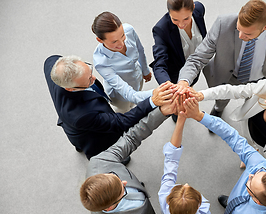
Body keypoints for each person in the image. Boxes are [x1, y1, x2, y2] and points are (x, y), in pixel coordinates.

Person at [181, 97, 266, 214]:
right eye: (255, 175)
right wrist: (199, 116)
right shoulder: (261, 167)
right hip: (238, 204)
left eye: (250, 182)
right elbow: (232, 136)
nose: (249, 175)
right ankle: (230, 204)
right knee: (235, 201)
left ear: (256, 200)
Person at [177, 0, 266, 119]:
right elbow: (198, 57)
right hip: (226, 77)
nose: (240, 36)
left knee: (252, 107)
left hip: (260, 81)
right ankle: (219, 109)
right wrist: (184, 80)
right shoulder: (222, 24)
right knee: (221, 98)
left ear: (265, 27)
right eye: (238, 29)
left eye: (247, 34)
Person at [44, 54, 174, 161]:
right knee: (106, 148)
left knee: (79, 138)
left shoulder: (52, 63)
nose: (94, 78)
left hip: (74, 125)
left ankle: (79, 145)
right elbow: (121, 122)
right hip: (91, 135)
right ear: (70, 88)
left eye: (90, 71)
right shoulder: (82, 115)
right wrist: (152, 101)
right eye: (88, 80)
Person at [80, 103, 176, 214]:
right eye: (122, 190)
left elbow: (131, 137)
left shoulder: (99, 163)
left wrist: (162, 112)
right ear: (109, 207)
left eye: (116, 177)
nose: (125, 182)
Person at [189, 77, 266, 164]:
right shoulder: (265, 87)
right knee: (246, 145)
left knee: (253, 157)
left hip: (265, 148)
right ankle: (246, 157)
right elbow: (231, 91)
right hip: (247, 131)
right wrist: (202, 95)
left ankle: (249, 158)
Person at [158, 96, 212, 214]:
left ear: (168, 201)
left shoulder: (163, 195)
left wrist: (181, 120)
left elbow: (171, 159)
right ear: (198, 206)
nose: (186, 183)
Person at [150, 0, 207, 122]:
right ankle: (177, 114)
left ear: (193, 8)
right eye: (175, 19)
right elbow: (159, 64)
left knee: (191, 84)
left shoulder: (199, 10)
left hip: (196, 67)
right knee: (179, 101)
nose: (181, 24)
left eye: (186, 19)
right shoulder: (161, 29)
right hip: (176, 73)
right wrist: (169, 87)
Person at [92, 11, 153, 113]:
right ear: (100, 40)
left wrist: (145, 70)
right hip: (120, 95)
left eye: (122, 36)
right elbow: (128, 94)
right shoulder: (101, 61)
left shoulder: (129, 30)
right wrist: (158, 93)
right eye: (114, 41)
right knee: (124, 111)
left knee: (134, 102)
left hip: (137, 78)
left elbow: (140, 50)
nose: (121, 43)